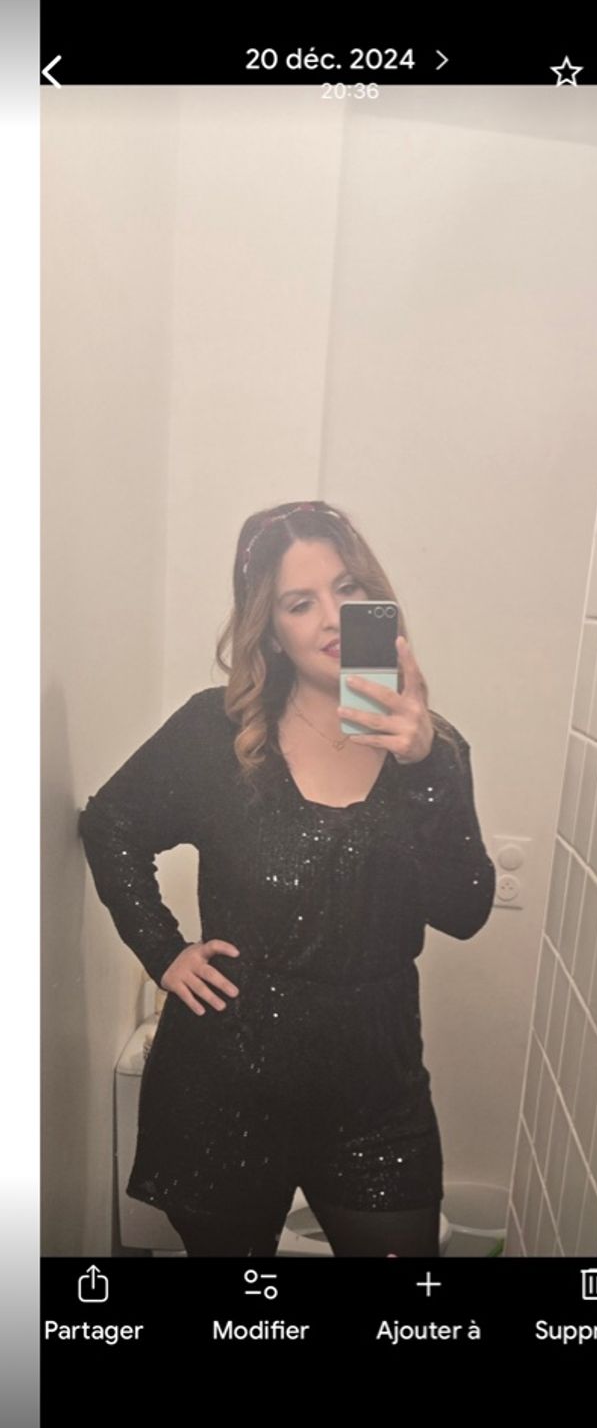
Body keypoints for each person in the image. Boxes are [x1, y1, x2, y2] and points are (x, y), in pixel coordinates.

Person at [78, 500, 496, 1257]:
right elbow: (110, 824)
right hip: (225, 1087)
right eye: (300, 603)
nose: (332, 618)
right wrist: (163, 951)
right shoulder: (215, 731)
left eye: (347, 588)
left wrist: (424, 763)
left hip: (377, 1096)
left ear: (375, 597)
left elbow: (465, 910)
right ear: (270, 629)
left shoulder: (432, 752)